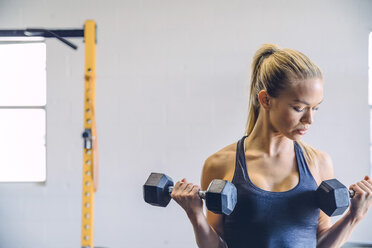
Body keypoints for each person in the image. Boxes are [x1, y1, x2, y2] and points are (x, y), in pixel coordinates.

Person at [170, 44, 372, 248]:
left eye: (315, 108)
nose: (310, 119)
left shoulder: (318, 163)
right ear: (266, 100)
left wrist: (354, 217)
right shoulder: (220, 164)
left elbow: (320, 243)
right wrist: (195, 215)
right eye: (299, 108)